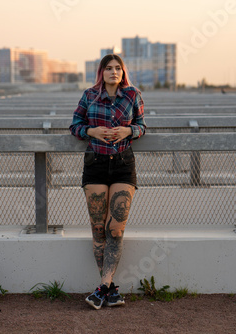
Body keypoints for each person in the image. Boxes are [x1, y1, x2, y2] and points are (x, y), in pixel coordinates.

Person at [69, 54, 146, 310]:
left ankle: (102, 287)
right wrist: (91, 131)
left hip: (124, 165)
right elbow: (75, 126)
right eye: (109, 68)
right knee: (98, 229)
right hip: (96, 165)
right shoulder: (89, 95)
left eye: (118, 68)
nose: (114, 72)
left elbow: (142, 125)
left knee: (116, 229)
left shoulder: (133, 95)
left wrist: (129, 130)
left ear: (123, 72)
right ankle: (109, 290)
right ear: (101, 72)